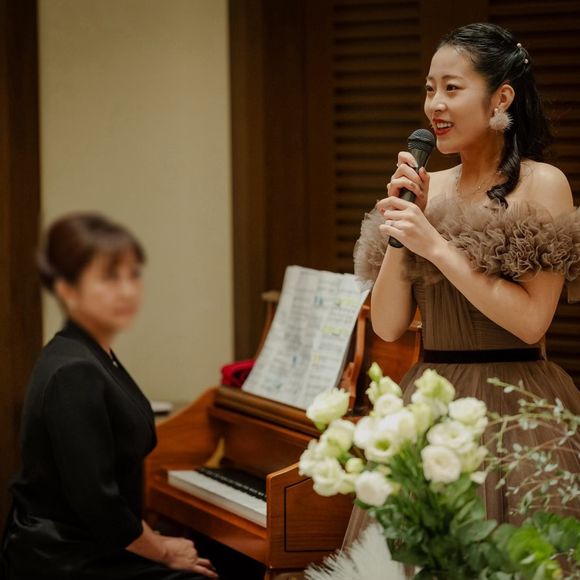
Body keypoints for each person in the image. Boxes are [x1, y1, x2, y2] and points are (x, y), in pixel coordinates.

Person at [347, 22, 580, 553]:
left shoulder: (542, 184)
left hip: (516, 409)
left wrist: (436, 246)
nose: (435, 104)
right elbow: (388, 325)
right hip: (429, 404)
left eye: (452, 88)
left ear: (501, 98)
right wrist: (404, 224)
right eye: (430, 88)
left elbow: (530, 323)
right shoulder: (429, 188)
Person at [0, 213, 218, 579]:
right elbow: (97, 501)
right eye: (109, 277)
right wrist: (163, 550)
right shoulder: (74, 370)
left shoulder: (89, 351)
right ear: (67, 289)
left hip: (93, 541)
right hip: (63, 557)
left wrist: (155, 541)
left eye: (133, 275)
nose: (127, 290)